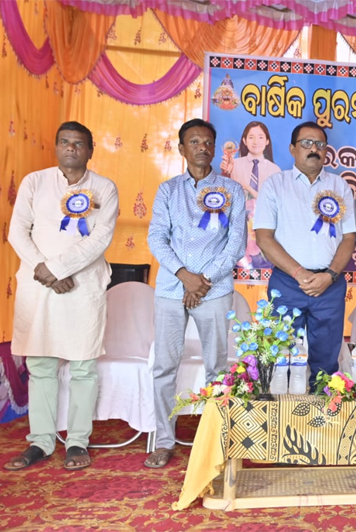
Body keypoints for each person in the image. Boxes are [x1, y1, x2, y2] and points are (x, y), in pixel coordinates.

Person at [4, 121, 118, 471]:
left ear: (90, 150)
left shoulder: (104, 187)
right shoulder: (34, 182)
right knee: (40, 366)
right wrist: (45, 270)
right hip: (39, 285)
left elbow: (100, 238)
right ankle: (40, 441)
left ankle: (77, 441)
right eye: (65, 142)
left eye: (79, 143)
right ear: (56, 147)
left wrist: (58, 268)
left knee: (83, 367)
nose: (71, 148)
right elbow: (17, 231)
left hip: (82, 286)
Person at [146, 119, 246, 468]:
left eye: (207, 142)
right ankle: (164, 440)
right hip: (172, 288)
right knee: (164, 366)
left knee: (217, 367)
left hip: (214, 290)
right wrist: (185, 276)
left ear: (214, 149)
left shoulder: (233, 191)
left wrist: (203, 280)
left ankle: (214, 440)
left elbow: (235, 244)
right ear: (181, 149)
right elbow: (156, 237)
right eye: (194, 142)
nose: (202, 147)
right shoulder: (168, 191)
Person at [254, 121, 356, 386]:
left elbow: (349, 238)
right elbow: (263, 237)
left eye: (320, 144)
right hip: (287, 284)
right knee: (279, 359)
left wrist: (330, 275)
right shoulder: (275, 185)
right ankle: (280, 410)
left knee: (326, 364)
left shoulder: (339, 186)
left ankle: (323, 410)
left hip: (329, 285)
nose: (314, 149)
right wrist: (299, 273)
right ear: (292, 148)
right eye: (307, 143)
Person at [221, 121, 281, 269]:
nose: (255, 142)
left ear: (267, 141)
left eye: (260, 137)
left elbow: (275, 204)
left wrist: (248, 187)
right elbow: (224, 196)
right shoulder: (234, 164)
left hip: (263, 227)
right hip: (237, 226)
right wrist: (225, 173)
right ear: (244, 140)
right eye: (251, 137)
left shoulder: (275, 170)